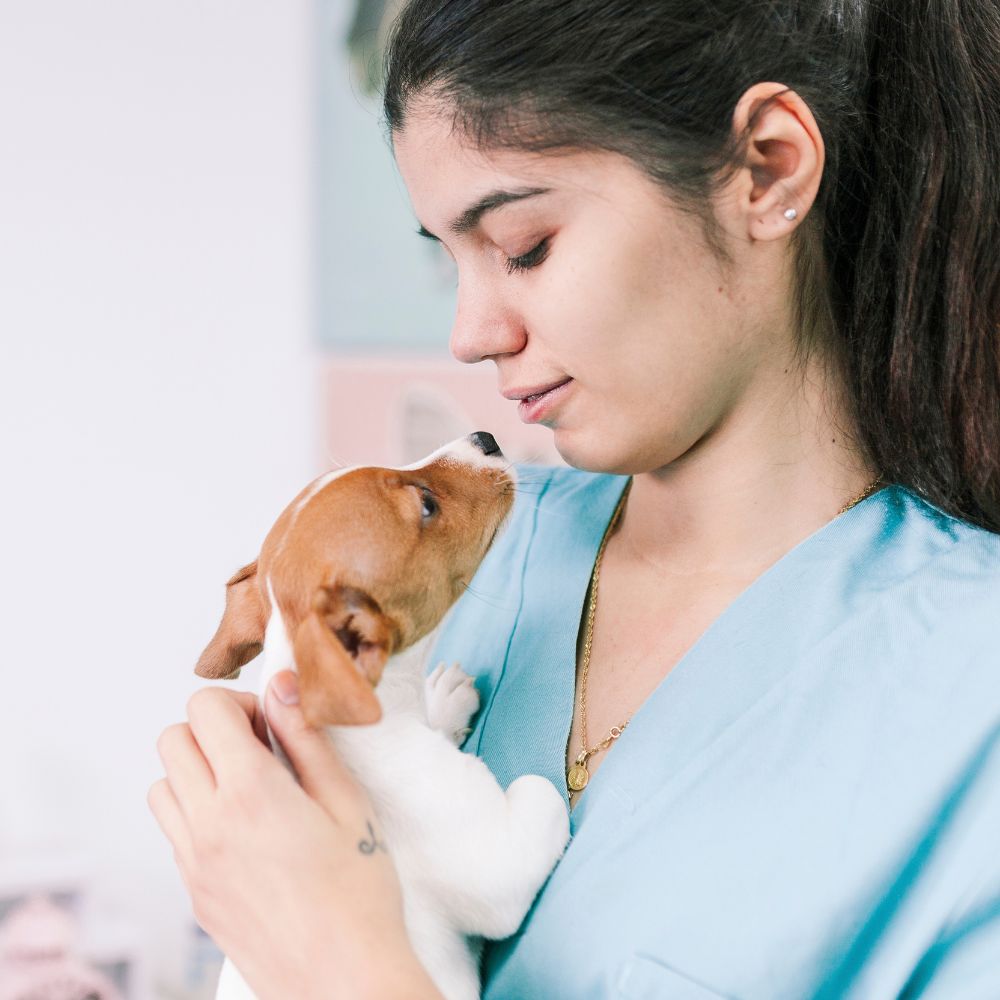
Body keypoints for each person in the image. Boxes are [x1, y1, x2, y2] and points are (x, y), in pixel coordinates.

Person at [149, 1, 1000, 997]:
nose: (470, 333)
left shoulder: (965, 694)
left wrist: (344, 967)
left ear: (766, 170)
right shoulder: (461, 564)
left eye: (523, 245)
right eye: (446, 255)